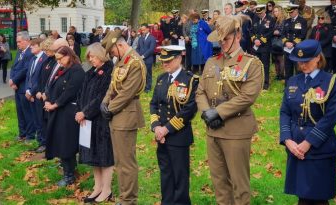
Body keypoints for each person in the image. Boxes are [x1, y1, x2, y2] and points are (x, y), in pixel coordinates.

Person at [196, 15, 264, 205]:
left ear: (238, 35)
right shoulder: (212, 62)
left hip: (236, 130)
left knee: (239, 184)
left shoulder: (252, 63)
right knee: (219, 182)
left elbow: (247, 97)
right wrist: (206, 112)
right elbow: (200, 91)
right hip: (213, 129)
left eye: (226, 38)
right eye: (220, 39)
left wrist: (218, 112)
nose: (222, 43)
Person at [280, 39, 336, 205]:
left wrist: (308, 143)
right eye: (299, 62)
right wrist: (288, 140)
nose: (302, 65)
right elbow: (285, 112)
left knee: (318, 197)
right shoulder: (293, 81)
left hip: (319, 147)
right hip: (295, 146)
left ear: (318, 58)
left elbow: (330, 117)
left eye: (306, 61)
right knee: (302, 196)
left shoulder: (332, 82)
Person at [100, 30, 146, 205]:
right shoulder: (121, 60)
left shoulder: (135, 62)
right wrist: (104, 103)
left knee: (126, 162)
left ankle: (129, 200)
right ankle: (124, 196)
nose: (112, 55)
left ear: (120, 45)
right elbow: (113, 86)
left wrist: (109, 109)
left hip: (126, 114)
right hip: (116, 114)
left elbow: (127, 93)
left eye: (112, 51)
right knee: (119, 160)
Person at [150, 45, 198, 205]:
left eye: (168, 61)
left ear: (179, 58)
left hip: (178, 137)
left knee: (180, 177)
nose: (164, 64)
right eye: (163, 61)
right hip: (161, 137)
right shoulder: (161, 79)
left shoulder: (190, 80)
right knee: (166, 175)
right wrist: (156, 127)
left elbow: (189, 110)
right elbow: (154, 105)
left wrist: (166, 129)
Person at [76, 43, 115, 203]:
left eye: (92, 56)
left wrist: (86, 112)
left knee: (104, 156)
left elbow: (102, 97)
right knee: (93, 156)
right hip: (86, 120)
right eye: (89, 57)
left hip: (101, 120)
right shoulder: (91, 72)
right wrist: (80, 111)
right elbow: (81, 93)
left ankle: (107, 189)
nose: (90, 60)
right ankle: (97, 187)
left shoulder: (109, 71)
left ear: (100, 54)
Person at [44, 46, 85, 186]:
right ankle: (67, 170)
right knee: (60, 142)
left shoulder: (77, 71)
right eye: (57, 59)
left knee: (67, 144)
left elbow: (70, 92)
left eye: (61, 58)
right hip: (58, 111)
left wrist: (54, 105)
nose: (59, 62)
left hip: (68, 112)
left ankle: (70, 175)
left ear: (68, 55)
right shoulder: (64, 68)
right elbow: (51, 86)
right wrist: (48, 99)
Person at [10, 31, 35, 142]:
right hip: (17, 87)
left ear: (26, 40)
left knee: (27, 112)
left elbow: (25, 70)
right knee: (20, 111)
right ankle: (22, 133)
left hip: (24, 87)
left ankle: (30, 135)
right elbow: (14, 67)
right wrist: (12, 80)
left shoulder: (30, 53)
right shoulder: (20, 52)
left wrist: (14, 80)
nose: (18, 44)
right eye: (17, 42)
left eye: (19, 42)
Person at [25, 38, 48, 149]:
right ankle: (39, 140)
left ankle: (44, 142)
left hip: (38, 94)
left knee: (41, 119)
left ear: (39, 46)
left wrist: (32, 92)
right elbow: (28, 77)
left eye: (33, 45)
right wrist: (27, 90)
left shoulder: (44, 59)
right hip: (31, 94)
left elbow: (40, 79)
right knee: (35, 119)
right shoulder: (32, 59)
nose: (30, 47)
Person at [35, 38, 56, 153]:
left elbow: (52, 80)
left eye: (46, 50)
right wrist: (38, 91)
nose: (45, 52)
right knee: (42, 120)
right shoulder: (46, 60)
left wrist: (45, 94)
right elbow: (40, 78)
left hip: (49, 96)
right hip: (41, 95)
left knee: (49, 121)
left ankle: (49, 144)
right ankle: (44, 142)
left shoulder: (55, 61)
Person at [251, 5, 275, 90]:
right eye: (258, 13)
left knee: (265, 65)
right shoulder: (255, 18)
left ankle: (265, 84)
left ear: (264, 10)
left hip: (265, 46)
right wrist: (254, 40)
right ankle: (257, 82)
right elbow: (251, 31)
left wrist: (260, 41)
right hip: (255, 46)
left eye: (260, 13)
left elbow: (270, 32)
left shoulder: (270, 19)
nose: (259, 14)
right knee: (256, 65)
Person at [282, 3, 307, 82]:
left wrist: (292, 43)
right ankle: (288, 86)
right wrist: (286, 42)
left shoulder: (302, 21)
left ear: (296, 11)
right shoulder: (286, 21)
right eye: (289, 12)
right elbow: (282, 34)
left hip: (297, 48)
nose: (290, 14)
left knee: (298, 69)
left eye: (291, 12)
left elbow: (302, 35)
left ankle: (299, 86)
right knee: (288, 68)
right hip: (287, 48)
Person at [136, 24, 156, 93]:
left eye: (144, 29)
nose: (142, 31)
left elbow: (151, 49)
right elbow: (138, 48)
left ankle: (148, 87)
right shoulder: (140, 38)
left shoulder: (152, 38)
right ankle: (141, 86)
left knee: (148, 74)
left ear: (148, 29)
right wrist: (138, 55)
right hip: (140, 59)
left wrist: (143, 56)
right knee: (141, 73)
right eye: (141, 30)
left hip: (148, 59)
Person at [272, 5, 287, 80]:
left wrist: (278, 32)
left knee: (280, 58)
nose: (275, 13)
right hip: (274, 41)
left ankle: (281, 75)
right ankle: (277, 75)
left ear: (280, 11)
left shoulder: (284, 20)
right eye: (274, 11)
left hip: (280, 41)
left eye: (276, 11)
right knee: (275, 58)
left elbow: (284, 31)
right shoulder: (274, 20)